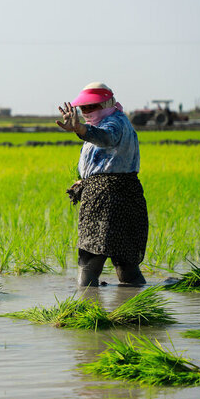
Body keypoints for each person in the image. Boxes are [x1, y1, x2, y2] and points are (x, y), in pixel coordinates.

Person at [57, 82, 148, 287]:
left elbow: (107, 138)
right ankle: (134, 307)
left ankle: (86, 305)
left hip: (106, 199)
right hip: (126, 196)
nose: (87, 111)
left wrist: (80, 128)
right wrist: (84, 182)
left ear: (107, 103)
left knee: (90, 258)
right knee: (127, 266)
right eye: (84, 107)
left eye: (93, 106)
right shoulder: (105, 124)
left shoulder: (113, 123)